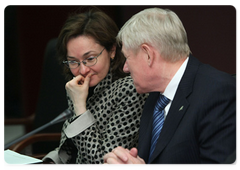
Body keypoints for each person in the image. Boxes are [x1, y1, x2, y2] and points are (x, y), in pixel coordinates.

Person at [103, 7, 237, 165]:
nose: (125, 67)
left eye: (127, 57)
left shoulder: (219, 93)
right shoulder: (154, 96)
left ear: (148, 55)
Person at [42, 6, 148, 165]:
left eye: (90, 58)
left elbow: (100, 162)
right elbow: (72, 147)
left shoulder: (129, 90)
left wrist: (79, 107)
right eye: (73, 61)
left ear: (112, 51)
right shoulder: (77, 87)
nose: (83, 70)